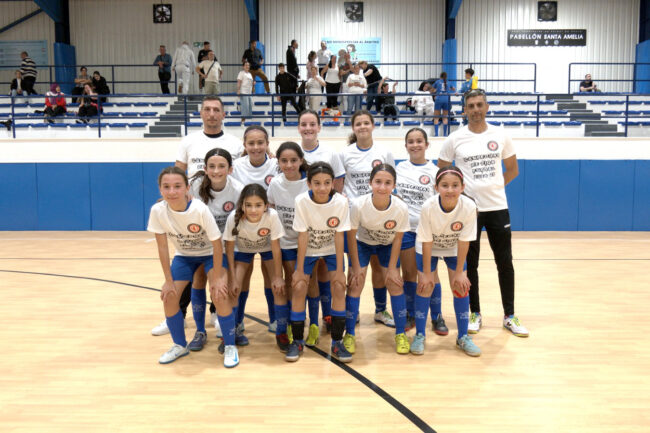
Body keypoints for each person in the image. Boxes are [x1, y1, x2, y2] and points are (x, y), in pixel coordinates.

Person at [437, 88, 529, 338]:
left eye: (480, 105)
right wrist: (461, 195)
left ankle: (509, 315)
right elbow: (442, 171)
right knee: (471, 265)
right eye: (471, 106)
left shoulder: (501, 135)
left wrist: (495, 187)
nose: (476, 110)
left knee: (505, 262)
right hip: (469, 212)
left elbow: (512, 170)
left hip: (498, 208)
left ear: (486, 107)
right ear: (465, 110)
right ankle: (474, 313)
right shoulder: (455, 139)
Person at [151, 95, 243, 337]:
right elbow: (177, 172)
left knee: (215, 272)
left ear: (223, 114)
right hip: (193, 214)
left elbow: (242, 170)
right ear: (201, 113)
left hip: (222, 215)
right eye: (207, 109)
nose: (212, 114)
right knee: (191, 271)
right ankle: (178, 316)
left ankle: (216, 313)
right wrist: (171, 196)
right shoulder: (189, 140)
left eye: (216, 110)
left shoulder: (235, 143)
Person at [146, 167, 234, 367]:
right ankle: (179, 345)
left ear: (187, 188)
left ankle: (230, 346)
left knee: (220, 294)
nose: (172, 191)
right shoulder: (157, 211)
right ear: (160, 189)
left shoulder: (199, 209)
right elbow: (162, 248)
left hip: (210, 254)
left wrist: (218, 278)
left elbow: (217, 244)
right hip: (184, 256)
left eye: (177, 186)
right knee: (169, 297)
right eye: (166, 187)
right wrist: (168, 281)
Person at [415, 166, 481, 357]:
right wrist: (427, 274)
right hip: (428, 246)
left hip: (453, 247)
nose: (450, 190)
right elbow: (427, 241)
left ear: (462, 187)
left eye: (455, 185)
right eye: (445, 185)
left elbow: (465, 240)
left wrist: (460, 273)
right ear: (436, 187)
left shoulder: (469, 206)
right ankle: (419, 335)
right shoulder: (428, 207)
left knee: (460, 286)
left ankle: (463, 337)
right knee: (425, 286)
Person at [346, 164, 411, 356]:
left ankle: (400, 334)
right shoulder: (359, 204)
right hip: (362, 244)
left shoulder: (400, 207)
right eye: (378, 182)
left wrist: (392, 269)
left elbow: (398, 238)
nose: (382, 187)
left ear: (394, 185)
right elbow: (351, 235)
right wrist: (355, 265)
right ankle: (349, 334)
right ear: (370, 183)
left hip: (387, 245)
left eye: (388, 183)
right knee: (355, 283)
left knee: (395, 284)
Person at [340, 110, 396, 328]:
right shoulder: (345, 154)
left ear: (373, 125)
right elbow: (339, 186)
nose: (362, 126)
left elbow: (391, 183)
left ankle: (380, 310)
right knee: (355, 270)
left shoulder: (384, 152)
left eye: (366, 123)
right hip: (355, 219)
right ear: (353, 128)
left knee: (379, 268)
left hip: (380, 217)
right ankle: (352, 312)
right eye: (358, 123)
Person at [290, 162, 350, 362]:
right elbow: (303, 235)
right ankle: (297, 340)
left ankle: (337, 341)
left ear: (333, 183)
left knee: (339, 287)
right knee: (299, 287)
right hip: (309, 249)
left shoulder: (341, 202)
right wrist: (299, 270)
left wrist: (340, 271)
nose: (322, 187)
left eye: (326, 183)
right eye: (317, 183)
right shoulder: (301, 201)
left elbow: (340, 235)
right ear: (309, 184)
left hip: (332, 249)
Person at [189, 148, 244, 338]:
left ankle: (222, 317)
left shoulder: (238, 189)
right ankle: (200, 330)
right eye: (211, 166)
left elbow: (238, 221)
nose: (216, 171)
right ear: (205, 168)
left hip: (225, 244)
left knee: (221, 283)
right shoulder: (194, 186)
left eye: (221, 166)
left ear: (230, 169)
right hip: (201, 242)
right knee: (198, 280)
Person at [297, 109, 346, 327]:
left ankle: (328, 316)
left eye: (312, 124)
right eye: (304, 124)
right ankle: (312, 320)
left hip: (326, 221)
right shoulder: (294, 152)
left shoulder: (330, 153)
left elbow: (338, 183)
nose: (308, 128)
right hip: (303, 219)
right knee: (309, 277)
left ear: (319, 127)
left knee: (327, 273)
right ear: (298, 127)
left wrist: (330, 208)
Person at [395, 128, 445, 334]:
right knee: (409, 273)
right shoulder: (399, 169)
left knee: (431, 273)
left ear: (426, 144)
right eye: (411, 142)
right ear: (406, 145)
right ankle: (411, 313)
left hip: (427, 231)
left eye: (419, 141)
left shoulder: (435, 171)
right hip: (406, 229)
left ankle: (437, 316)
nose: (415, 145)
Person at [223, 184, 285, 347]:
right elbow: (229, 250)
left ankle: (278, 327)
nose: (253, 210)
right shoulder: (233, 218)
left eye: (258, 205)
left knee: (277, 287)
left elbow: (276, 247)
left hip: (268, 249)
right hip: (243, 250)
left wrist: (278, 276)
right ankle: (236, 325)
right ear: (242, 205)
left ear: (266, 205)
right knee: (235, 288)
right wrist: (231, 279)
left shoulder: (272, 216)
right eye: (248, 205)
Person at [231, 126, 279, 333]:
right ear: (244, 145)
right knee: (243, 277)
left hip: (270, 230)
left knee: (271, 276)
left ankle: (275, 319)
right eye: (251, 143)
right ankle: (237, 320)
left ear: (267, 144)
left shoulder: (277, 164)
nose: (256, 147)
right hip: (244, 231)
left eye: (260, 142)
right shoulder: (236, 166)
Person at [267, 142, 311, 349]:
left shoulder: (308, 183)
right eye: (284, 161)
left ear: (301, 160)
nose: (289, 165)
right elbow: (272, 209)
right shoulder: (275, 184)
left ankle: (300, 321)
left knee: (303, 285)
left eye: (293, 160)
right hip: (285, 242)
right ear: (278, 162)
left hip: (307, 242)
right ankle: (287, 326)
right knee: (288, 284)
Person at [431, 72, 456, 137]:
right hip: (446, 99)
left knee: (436, 118)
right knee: (445, 118)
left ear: (440, 76)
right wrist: (449, 89)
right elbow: (454, 89)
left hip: (439, 99)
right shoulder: (449, 82)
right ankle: (445, 134)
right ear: (446, 77)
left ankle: (436, 135)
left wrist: (435, 91)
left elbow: (432, 90)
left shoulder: (437, 82)